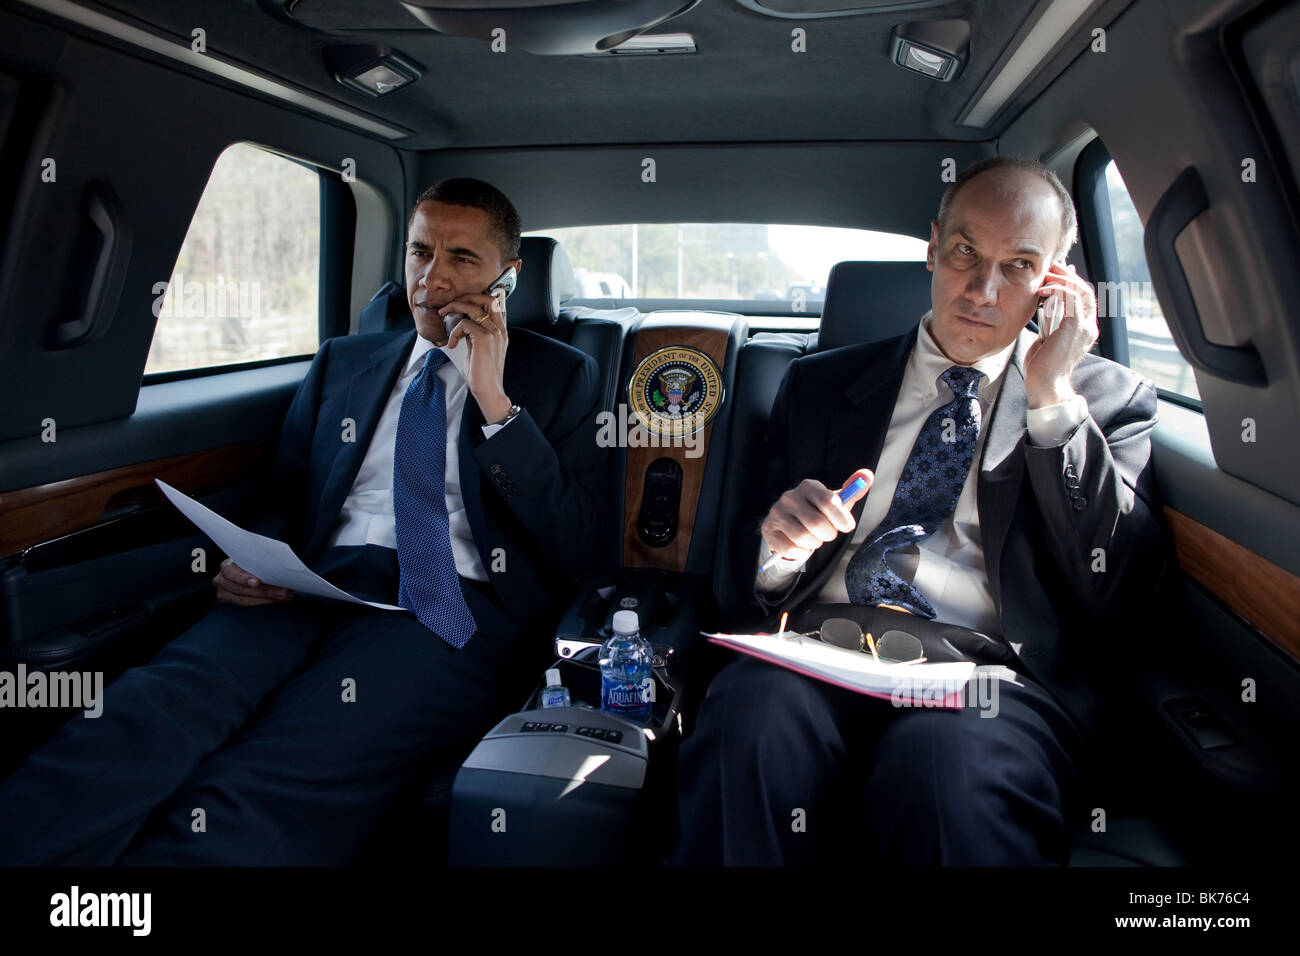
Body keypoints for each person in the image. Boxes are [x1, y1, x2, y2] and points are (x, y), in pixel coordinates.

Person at [0, 178, 606, 865]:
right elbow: (285, 495)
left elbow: (576, 549)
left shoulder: (561, 378)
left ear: (507, 276)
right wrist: (254, 558)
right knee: (141, 717)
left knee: (267, 781)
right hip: (307, 587)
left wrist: (494, 402)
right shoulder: (343, 363)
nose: (431, 279)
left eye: (462, 259)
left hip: (445, 612)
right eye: (418, 252)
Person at [673, 158, 1166, 866]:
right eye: (966, 252)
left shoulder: (1106, 401)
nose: (983, 289)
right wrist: (779, 549)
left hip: (988, 677)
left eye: (1019, 266)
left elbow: (1116, 592)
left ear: (1055, 281)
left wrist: (1053, 399)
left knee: (945, 771)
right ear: (933, 246)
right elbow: (745, 576)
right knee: (750, 720)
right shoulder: (819, 384)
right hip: (817, 652)